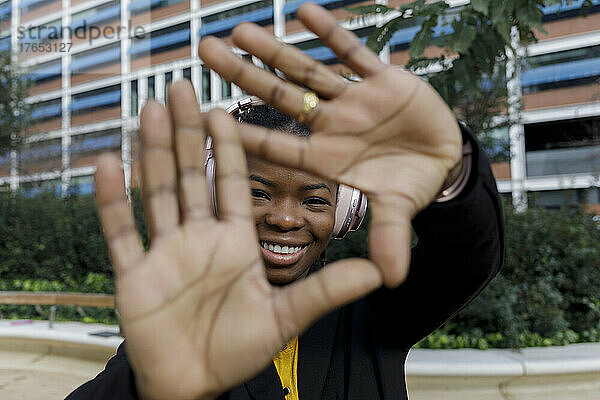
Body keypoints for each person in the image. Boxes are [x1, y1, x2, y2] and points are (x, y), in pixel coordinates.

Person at [67, 3, 504, 400]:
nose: (285, 218)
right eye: (257, 194)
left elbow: (466, 258)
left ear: (345, 211)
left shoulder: (372, 315)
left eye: (315, 201)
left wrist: (449, 171)